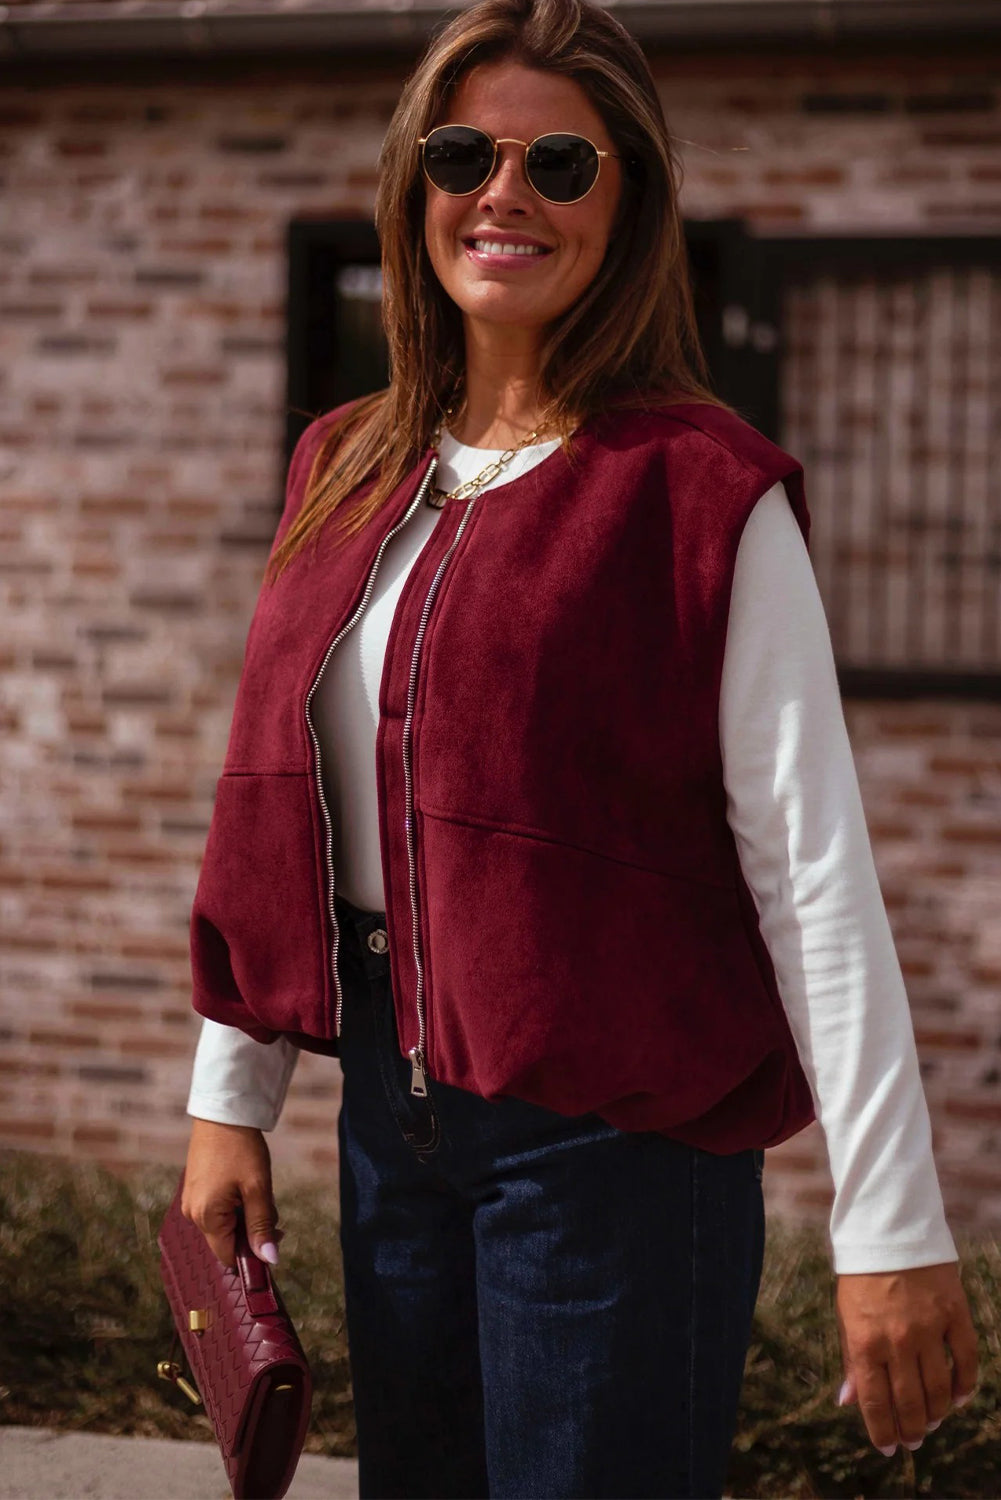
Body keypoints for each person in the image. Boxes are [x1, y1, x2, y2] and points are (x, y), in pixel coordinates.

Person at [180, 0, 979, 1494]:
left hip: (612, 1151)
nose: (504, 193)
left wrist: (889, 1226)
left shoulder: (699, 490)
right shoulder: (340, 462)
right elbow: (285, 801)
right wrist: (229, 1101)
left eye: (560, 162)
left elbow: (812, 870)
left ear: (628, 205)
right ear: (412, 182)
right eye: (464, 151)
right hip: (385, 1129)